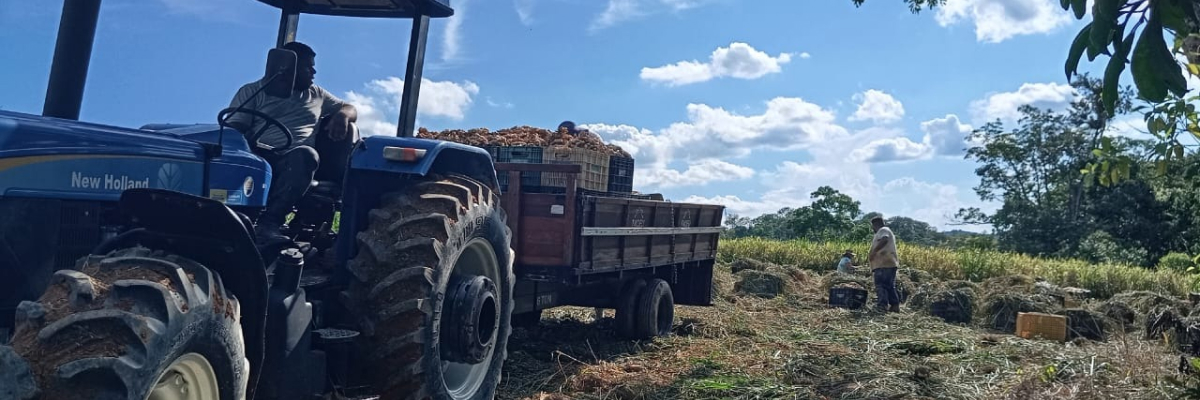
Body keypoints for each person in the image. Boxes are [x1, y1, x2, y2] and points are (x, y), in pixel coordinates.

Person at [224, 41, 359, 244]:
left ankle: (269, 223)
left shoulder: (317, 94)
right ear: (286, 67)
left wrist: (342, 115)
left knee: (306, 154)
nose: (314, 72)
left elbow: (350, 107)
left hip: (294, 160)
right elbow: (235, 130)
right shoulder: (254, 91)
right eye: (308, 67)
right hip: (258, 156)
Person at [867, 216, 901, 313]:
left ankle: (882, 306)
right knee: (889, 286)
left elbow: (884, 239)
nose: (872, 228)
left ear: (875, 225)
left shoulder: (883, 230)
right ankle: (894, 305)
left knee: (881, 285)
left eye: (873, 226)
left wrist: (874, 252)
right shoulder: (885, 230)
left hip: (883, 264)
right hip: (888, 263)